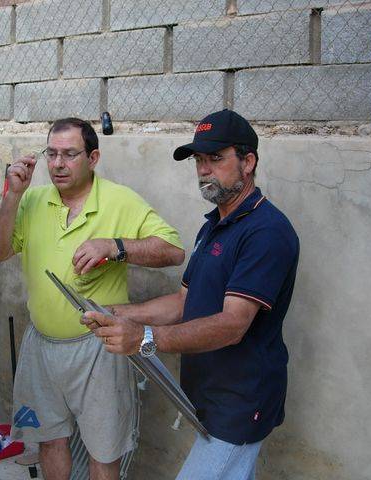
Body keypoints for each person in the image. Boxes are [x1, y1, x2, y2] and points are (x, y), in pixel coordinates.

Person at [82, 109, 300, 479]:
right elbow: (183, 302)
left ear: (248, 162)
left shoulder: (266, 232)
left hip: (241, 401)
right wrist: (119, 312)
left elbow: (233, 325)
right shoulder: (214, 226)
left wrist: (145, 338)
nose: (203, 169)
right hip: (211, 394)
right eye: (199, 160)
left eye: (215, 158)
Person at [0, 118, 185, 480]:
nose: (58, 164)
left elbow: (173, 251)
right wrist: (12, 196)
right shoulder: (31, 200)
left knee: (103, 452)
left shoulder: (119, 199)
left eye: (70, 154)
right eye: (52, 154)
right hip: (41, 345)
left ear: (93, 158)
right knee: (49, 441)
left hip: (99, 348)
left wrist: (114, 246)